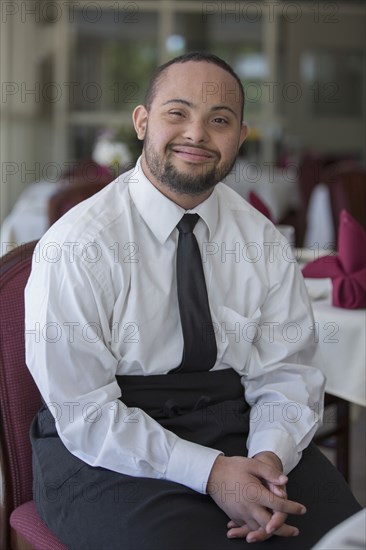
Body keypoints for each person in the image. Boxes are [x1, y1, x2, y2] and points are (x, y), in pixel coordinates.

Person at [25, 52, 360, 550]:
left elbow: (286, 371)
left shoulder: (260, 239)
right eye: (177, 113)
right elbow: (85, 412)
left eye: (219, 120)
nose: (197, 134)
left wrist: (268, 459)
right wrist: (212, 474)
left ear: (240, 138)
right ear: (142, 123)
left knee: (341, 534)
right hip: (107, 443)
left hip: (236, 422)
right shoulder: (79, 245)